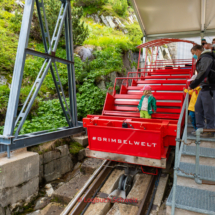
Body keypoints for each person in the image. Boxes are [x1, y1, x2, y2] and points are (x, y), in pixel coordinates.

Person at [190, 44, 215, 137]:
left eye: (193, 53)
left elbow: (203, 72)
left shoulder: (206, 57)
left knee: (209, 110)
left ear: (197, 50)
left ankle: (210, 130)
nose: (193, 56)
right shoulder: (203, 58)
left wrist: (192, 85)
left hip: (210, 88)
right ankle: (200, 129)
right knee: (198, 108)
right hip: (203, 87)